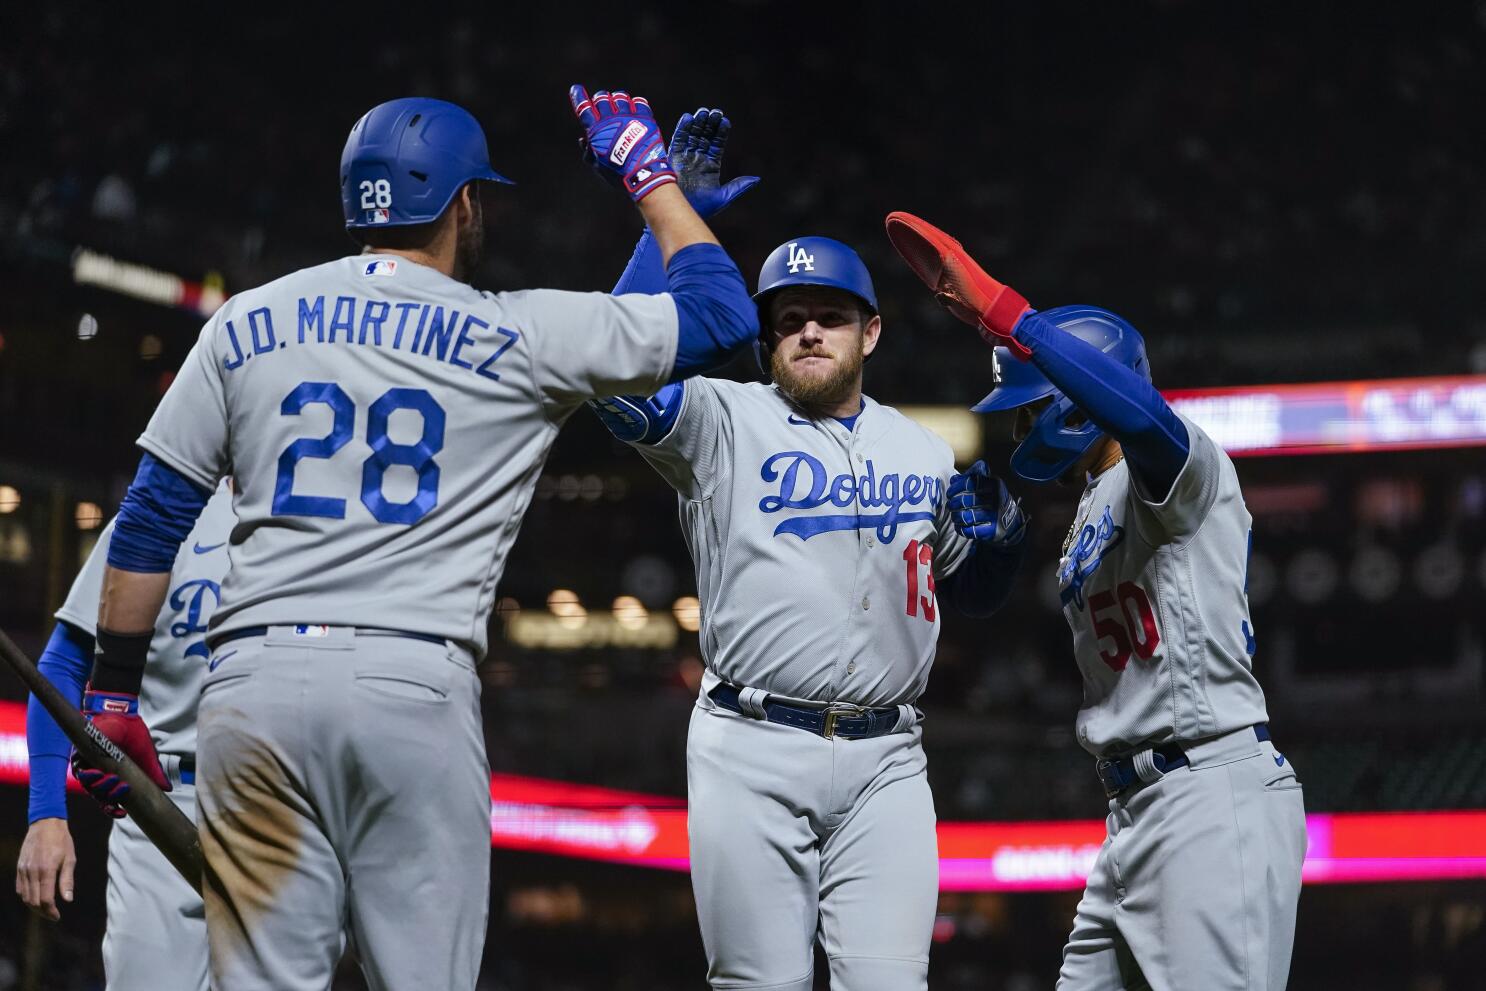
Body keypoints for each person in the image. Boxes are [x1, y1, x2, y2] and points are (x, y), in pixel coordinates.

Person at [68, 89, 759, 990]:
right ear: (465, 203)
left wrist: (114, 692)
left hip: (251, 687)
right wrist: (651, 179)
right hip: (409, 685)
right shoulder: (514, 330)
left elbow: (155, 513)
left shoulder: (247, 319)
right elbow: (722, 316)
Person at [590, 111, 1026, 991]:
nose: (810, 332)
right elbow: (610, 372)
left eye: (831, 315)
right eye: (790, 319)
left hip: (888, 759)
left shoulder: (923, 448)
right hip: (749, 747)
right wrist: (660, 216)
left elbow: (969, 592)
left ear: (870, 333)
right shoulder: (721, 418)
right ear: (766, 337)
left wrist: (1006, 546)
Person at [886, 212, 1307, 991]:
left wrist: (1009, 314)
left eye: (1029, 402)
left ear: (1080, 396)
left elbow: (1143, 417)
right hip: (1133, 810)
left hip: (1210, 795)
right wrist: (1003, 549)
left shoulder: (1181, 464)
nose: (1016, 423)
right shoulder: (1089, 503)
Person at [16, 483, 233, 991]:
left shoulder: (326, 519)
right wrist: (46, 813)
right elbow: (66, 661)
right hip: (163, 802)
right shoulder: (170, 510)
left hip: (285, 808)